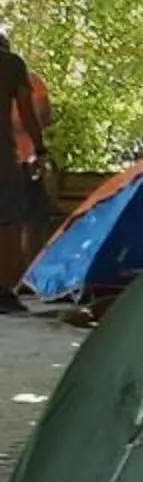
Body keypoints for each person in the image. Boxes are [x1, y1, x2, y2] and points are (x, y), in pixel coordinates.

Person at [0, 31, 52, 308]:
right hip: (7, 156)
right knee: (9, 223)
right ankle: (5, 290)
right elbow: (31, 113)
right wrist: (40, 149)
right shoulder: (12, 65)